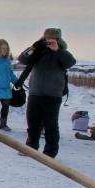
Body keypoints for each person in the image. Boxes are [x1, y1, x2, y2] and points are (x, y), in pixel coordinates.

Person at [17, 28, 76, 158]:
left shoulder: (62, 53)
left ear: (58, 40)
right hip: (35, 92)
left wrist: (58, 51)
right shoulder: (38, 51)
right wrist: (33, 47)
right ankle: (30, 147)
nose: (48, 42)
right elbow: (22, 58)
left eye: (51, 40)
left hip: (53, 95)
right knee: (33, 123)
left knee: (51, 125)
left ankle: (50, 152)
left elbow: (70, 63)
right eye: (46, 39)